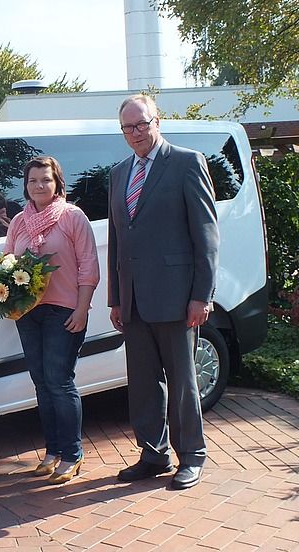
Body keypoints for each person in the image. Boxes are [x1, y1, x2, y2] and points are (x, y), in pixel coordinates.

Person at [107, 94, 219, 490]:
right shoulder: (119, 173)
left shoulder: (187, 163)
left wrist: (201, 295)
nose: (136, 133)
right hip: (134, 300)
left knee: (183, 381)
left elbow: (206, 236)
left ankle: (192, 455)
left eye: (142, 124)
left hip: (176, 298)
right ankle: (152, 455)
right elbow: (118, 238)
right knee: (141, 383)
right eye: (128, 127)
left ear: (158, 122)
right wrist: (116, 298)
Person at [4, 156, 99, 485]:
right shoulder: (19, 221)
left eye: (45, 180)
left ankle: (72, 454)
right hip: (29, 313)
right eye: (32, 181)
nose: (38, 186)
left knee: (60, 382)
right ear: (25, 186)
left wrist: (82, 309)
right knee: (42, 383)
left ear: (58, 183)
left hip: (64, 311)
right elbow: (8, 261)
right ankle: (53, 451)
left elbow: (89, 267)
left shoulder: (73, 218)